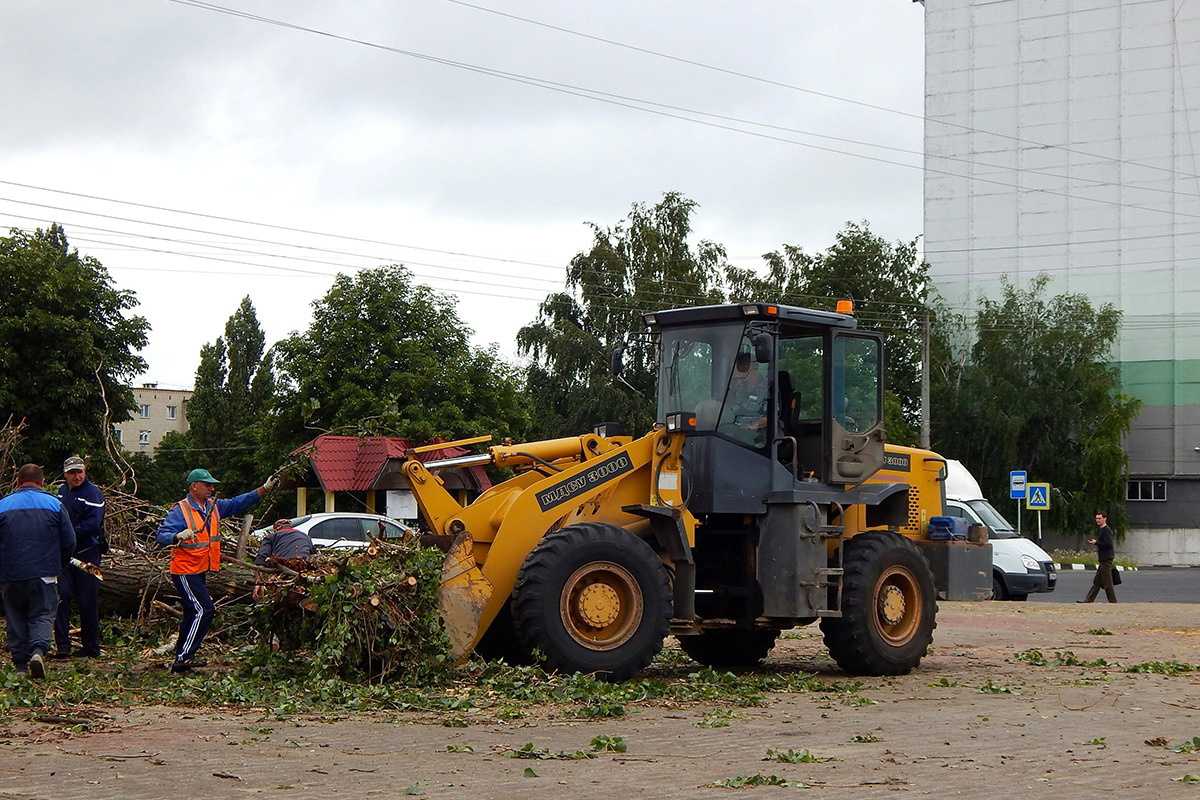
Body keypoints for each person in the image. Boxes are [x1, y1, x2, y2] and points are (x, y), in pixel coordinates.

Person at [155, 468, 279, 672]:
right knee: (204, 610)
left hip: (199, 569)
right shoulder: (181, 509)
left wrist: (264, 489)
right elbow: (162, 535)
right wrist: (177, 536)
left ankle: (182, 657)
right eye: (207, 485)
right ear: (194, 486)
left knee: (191, 612)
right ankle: (184, 657)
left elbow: (239, 502)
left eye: (212, 485)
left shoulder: (213, 507)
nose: (212, 489)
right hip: (185, 570)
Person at [0, 464, 76, 678]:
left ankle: (20, 666)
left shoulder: (2, 505)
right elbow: (69, 540)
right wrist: (60, 565)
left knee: (15, 617)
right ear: (42, 483)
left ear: (17, 482)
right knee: (42, 614)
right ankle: (38, 651)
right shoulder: (54, 504)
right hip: (44, 572)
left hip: (11, 574)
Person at [54, 455, 107, 658]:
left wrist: (67, 534)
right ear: (65, 474)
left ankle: (91, 647)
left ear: (85, 472)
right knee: (61, 597)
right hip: (65, 555)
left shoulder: (93, 494)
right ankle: (63, 646)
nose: (76, 476)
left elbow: (92, 524)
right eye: (72, 473)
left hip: (87, 555)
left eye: (80, 472)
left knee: (87, 600)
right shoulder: (61, 492)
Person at [252, 519, 315, 599]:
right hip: (304, 570)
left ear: (277, 528)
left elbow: (261, 558)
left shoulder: (271, 537)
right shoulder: (305, 536)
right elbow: (314, 556)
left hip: (282, 573)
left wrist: (258, 583)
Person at [1080, 511, 1118, 603]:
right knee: (1097, 581)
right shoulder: (1102, 530)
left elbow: (1108, 544)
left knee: (1107, 582)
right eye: (1096, 518)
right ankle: (1088, 600)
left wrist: (1096, 543)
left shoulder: (1106, 530)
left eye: (1099, 518)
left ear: (1104, 519)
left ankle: (1113, 601)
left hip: (1106, 558)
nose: (1097, 520)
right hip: (1103, 558)